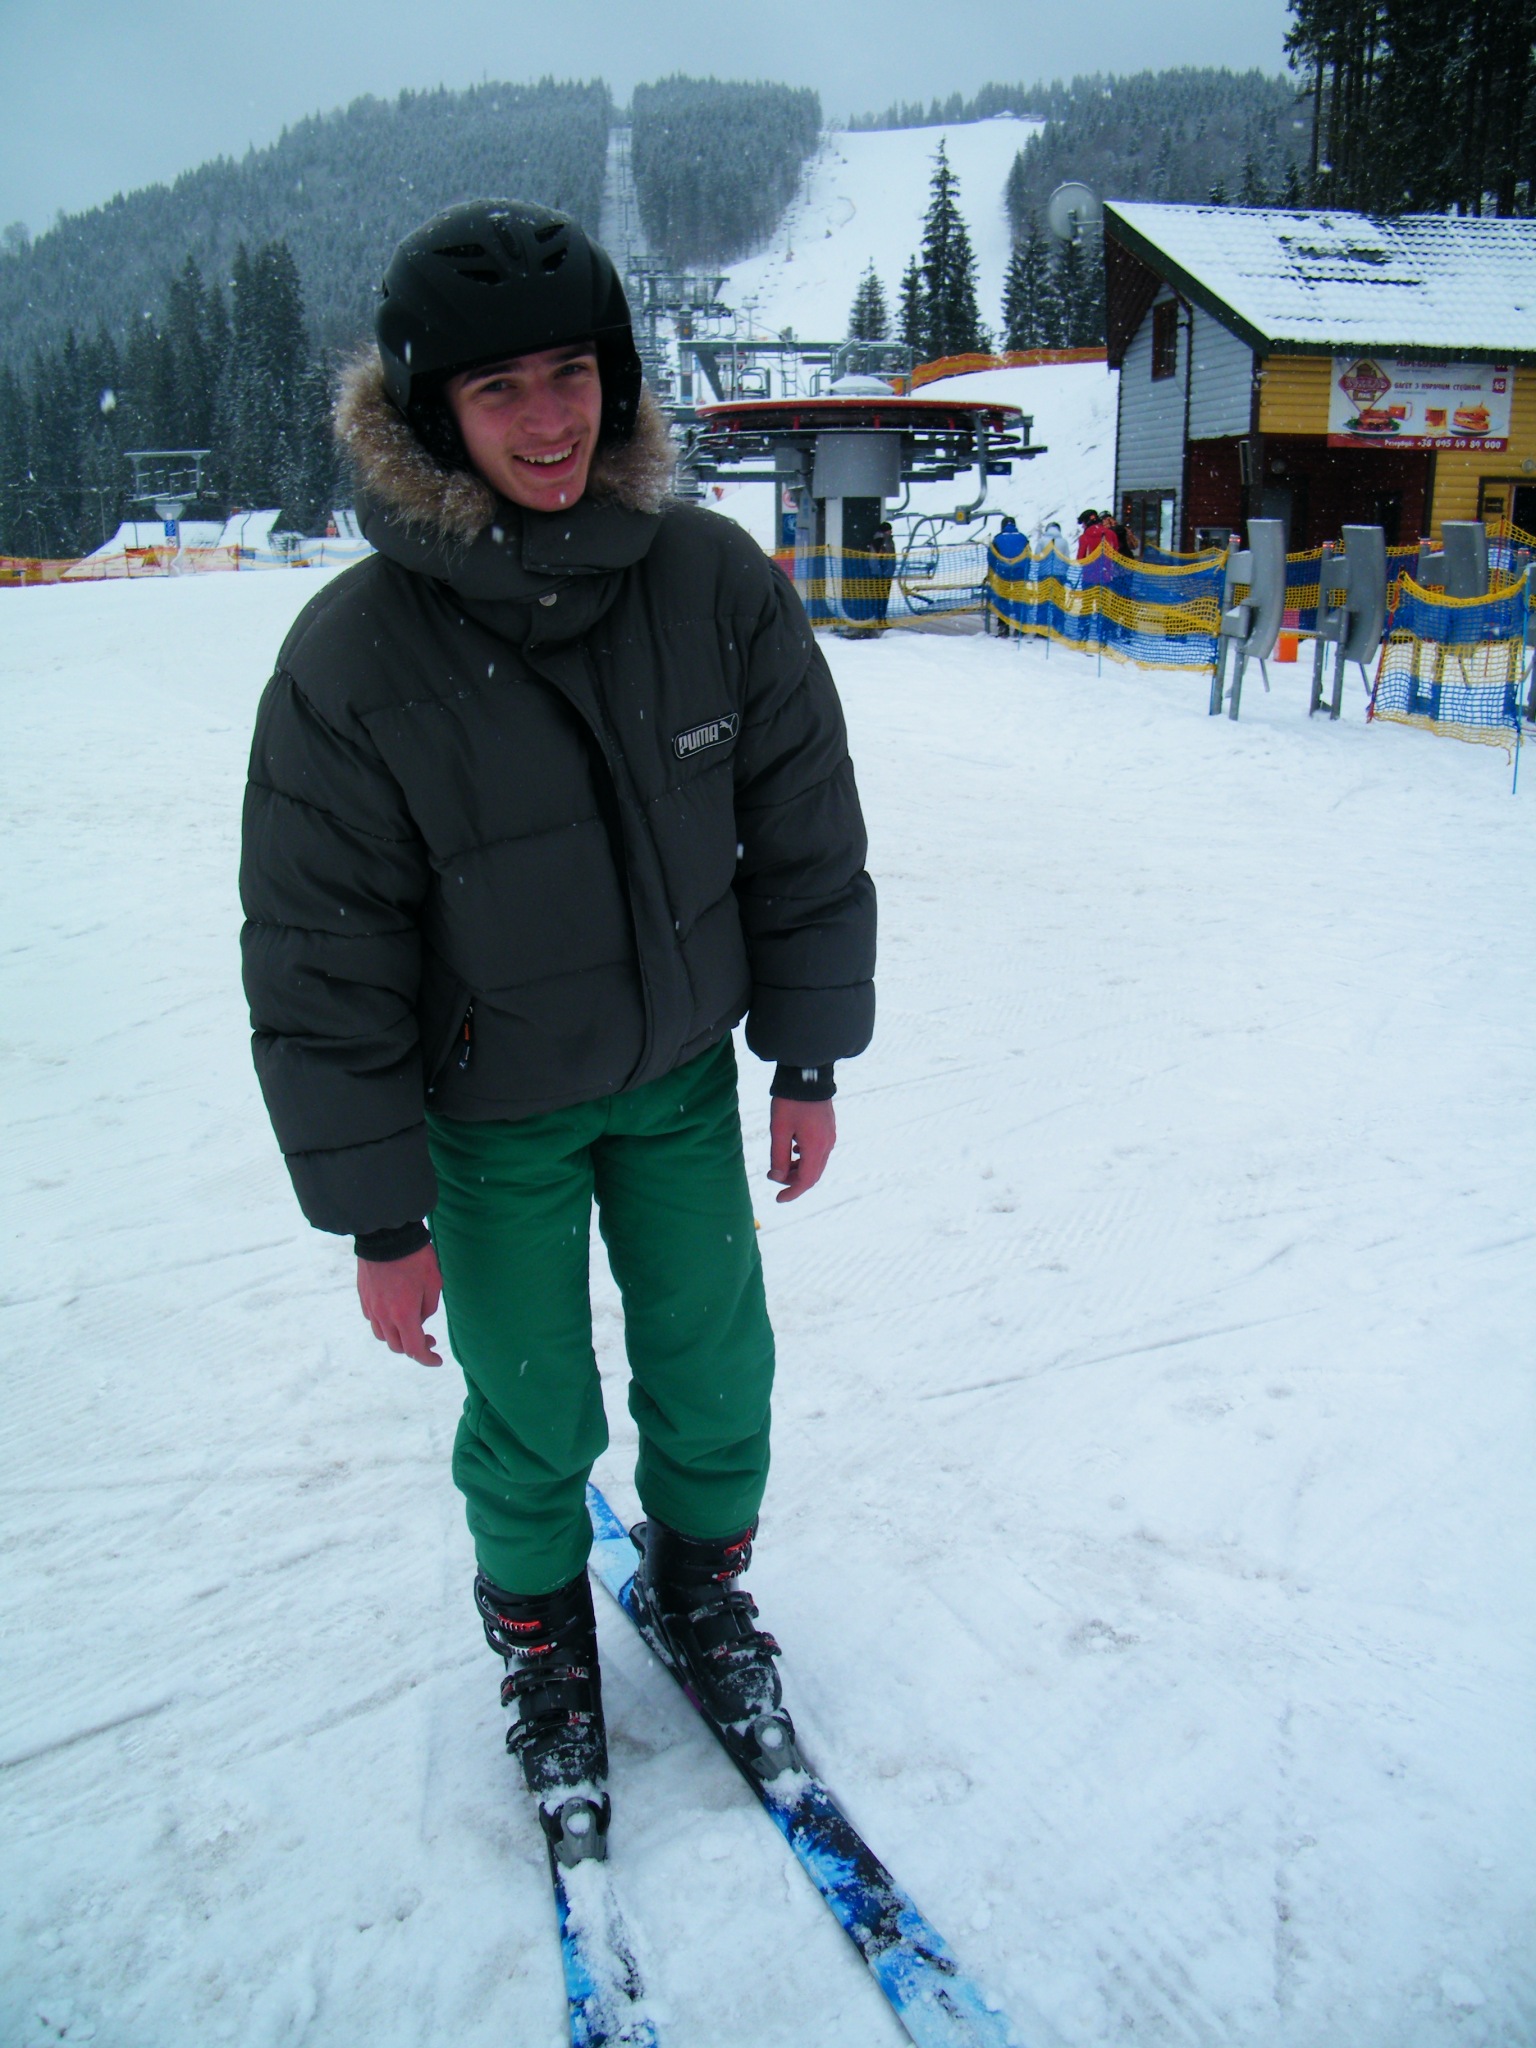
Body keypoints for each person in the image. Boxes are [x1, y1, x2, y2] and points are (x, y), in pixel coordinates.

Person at [239, 200, 876, 1869]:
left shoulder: (709, 582)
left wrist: (806, 1059)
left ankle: (701, 1587)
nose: (547, 418)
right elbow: (320, 957)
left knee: (717, 1368)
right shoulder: (352, 661)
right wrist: (380, 1219)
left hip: (677, 1085)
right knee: (531, 1409)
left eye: (572, 373)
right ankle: (542, 1645)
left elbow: (804, 831)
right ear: (430, 413)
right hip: (490, 1117)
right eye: (499, 387)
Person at [986, 514, 1030, 636]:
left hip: (1003, 573)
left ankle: (1003, 626)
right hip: (1020, 573)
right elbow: (1029, 556)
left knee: (1002, 599)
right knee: (1019, 599)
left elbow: (992, 557)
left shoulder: (997, 539)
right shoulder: (1023, 538)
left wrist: (993, 572)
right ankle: (1020, 628)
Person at [869, 519, 896, 629]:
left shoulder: (886, 541)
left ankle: (881, 619)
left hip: (885, 573)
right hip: (882, 575)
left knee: (882, 598)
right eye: (889, 530)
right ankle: (879, 619)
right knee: (881, 599)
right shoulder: (880, 541)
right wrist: (880, 572)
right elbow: (874, 559)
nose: (891, 532)